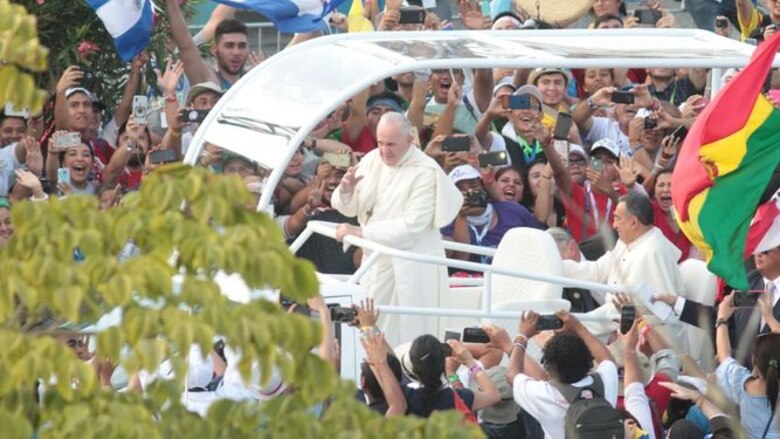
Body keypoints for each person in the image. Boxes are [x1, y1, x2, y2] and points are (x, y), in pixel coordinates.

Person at [331, 112, 462, 345]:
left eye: (391, 144)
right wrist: (347, 190)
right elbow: (351, 209)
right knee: (368, 329)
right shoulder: (372, 160)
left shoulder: (425, 172)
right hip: (374, 262)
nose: (384, 151)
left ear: (410, 140)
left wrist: (362, 233)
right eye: (380, 143)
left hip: (411, 265)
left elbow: (413, 227)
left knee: (407, 336)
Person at [562, 192, 686, 337]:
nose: (613, 225)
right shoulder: (627, 240)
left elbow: (663, 314)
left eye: (617, 218)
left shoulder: (653, 253)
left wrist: (578, 325)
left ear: (633, 222)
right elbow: (597, 270)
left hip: (653, 341)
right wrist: (553, 266)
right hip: (620, 327)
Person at [503, 310, 619, 439]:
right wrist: (578, 328)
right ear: (590, 362)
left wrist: (523, 335)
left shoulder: (544, 394)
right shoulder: (604, 383)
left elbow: (512, 375)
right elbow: (607, 360)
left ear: (546, 367)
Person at [442, 164, 542, 262]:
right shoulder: (446, 221)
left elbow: (539, 244)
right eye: (461, 189)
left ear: (484, 188)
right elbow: (460, 262)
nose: (469, 191)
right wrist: (461, 216)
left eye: (473, 185)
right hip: (467, 277)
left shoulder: (514, 211)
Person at [715, 293, 780, 439]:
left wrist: (722, 317)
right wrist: (770, 318)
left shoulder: (743, 388)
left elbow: (724, 356)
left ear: (754, 362)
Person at [400, 334, 501, 418]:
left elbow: (387, 366)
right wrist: (469, 361)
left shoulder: (403, 397)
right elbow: (494, 395)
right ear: (442, 364)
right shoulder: (456, 397)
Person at [166, 0, 249, 89]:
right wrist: (171, 3)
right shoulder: (208, 81)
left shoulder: (254, 82)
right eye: (229, 46)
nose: (236, 52)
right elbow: (185, 45)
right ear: (214, 49)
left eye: (242, 46)